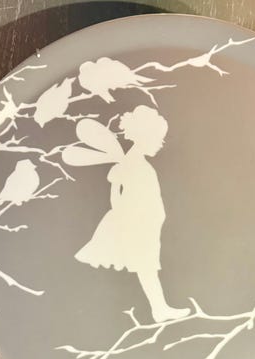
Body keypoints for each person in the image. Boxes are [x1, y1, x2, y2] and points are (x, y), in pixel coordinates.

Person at [74, 105, 190, 322]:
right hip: (139, 226)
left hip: (145, 224)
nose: (161, 143)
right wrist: (127, 217)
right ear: (145, 137)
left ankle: (159, 309)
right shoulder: (134, 163)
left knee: (147, 268)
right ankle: (159, 309)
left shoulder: (133, 162)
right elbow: (116, 193)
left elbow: (118, 191)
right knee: (146, 267)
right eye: (157, 139)